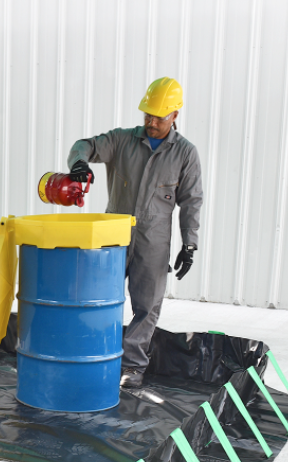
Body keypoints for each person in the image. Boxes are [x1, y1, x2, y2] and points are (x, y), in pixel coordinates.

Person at [66, 77, 204, 389]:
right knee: (99, 299)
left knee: (147, 306)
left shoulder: (185, 154)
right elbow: (83, 146)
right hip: (113, 238)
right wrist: (78, 164)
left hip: (153, 240)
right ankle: (95, 355)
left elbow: (191, 201)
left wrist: (190, 244)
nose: (151, 122)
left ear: (175, 115)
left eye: (158, 116)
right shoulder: (121, 141)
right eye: (147, 115)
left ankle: (132, 367)